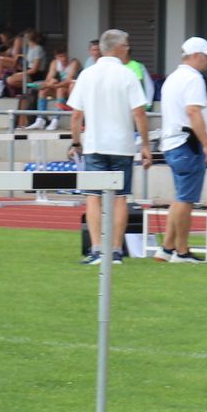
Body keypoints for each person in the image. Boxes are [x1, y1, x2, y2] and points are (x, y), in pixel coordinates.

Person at [70, 28, 151, 264]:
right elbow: (139, 113)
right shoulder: (127, 75)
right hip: (122, 145)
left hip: (95, 144)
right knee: (120, 198)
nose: (128, 49)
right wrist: (145, 144)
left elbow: (76, 115)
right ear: (117, 48)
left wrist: (76, 141)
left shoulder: (87, 74)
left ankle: (96, 249)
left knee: (93, 197)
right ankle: (115, 250)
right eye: (126, 45)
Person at [150, 36, 207, 263]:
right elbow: (193, 112)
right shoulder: (193, 79)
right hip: (187, 143)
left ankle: (167, 248)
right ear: (197, 55)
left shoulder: (172, 78)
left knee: (181, 198)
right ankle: (181, 251)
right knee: (185, 200)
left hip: (172, 142)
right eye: (206, 56)